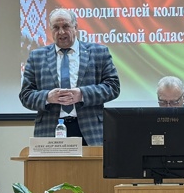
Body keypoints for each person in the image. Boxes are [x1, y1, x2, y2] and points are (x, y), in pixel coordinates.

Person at [20, 9, 121, 145]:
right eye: (56, 27)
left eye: (66, 26)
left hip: (90, 130)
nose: (61, 32)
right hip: (49, 130)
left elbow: (113, 87)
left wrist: (82, 94)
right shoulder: (36, 56)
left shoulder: (99, 52)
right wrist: (47, 97)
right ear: (50, 29)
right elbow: (25, 95)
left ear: (75, 27)